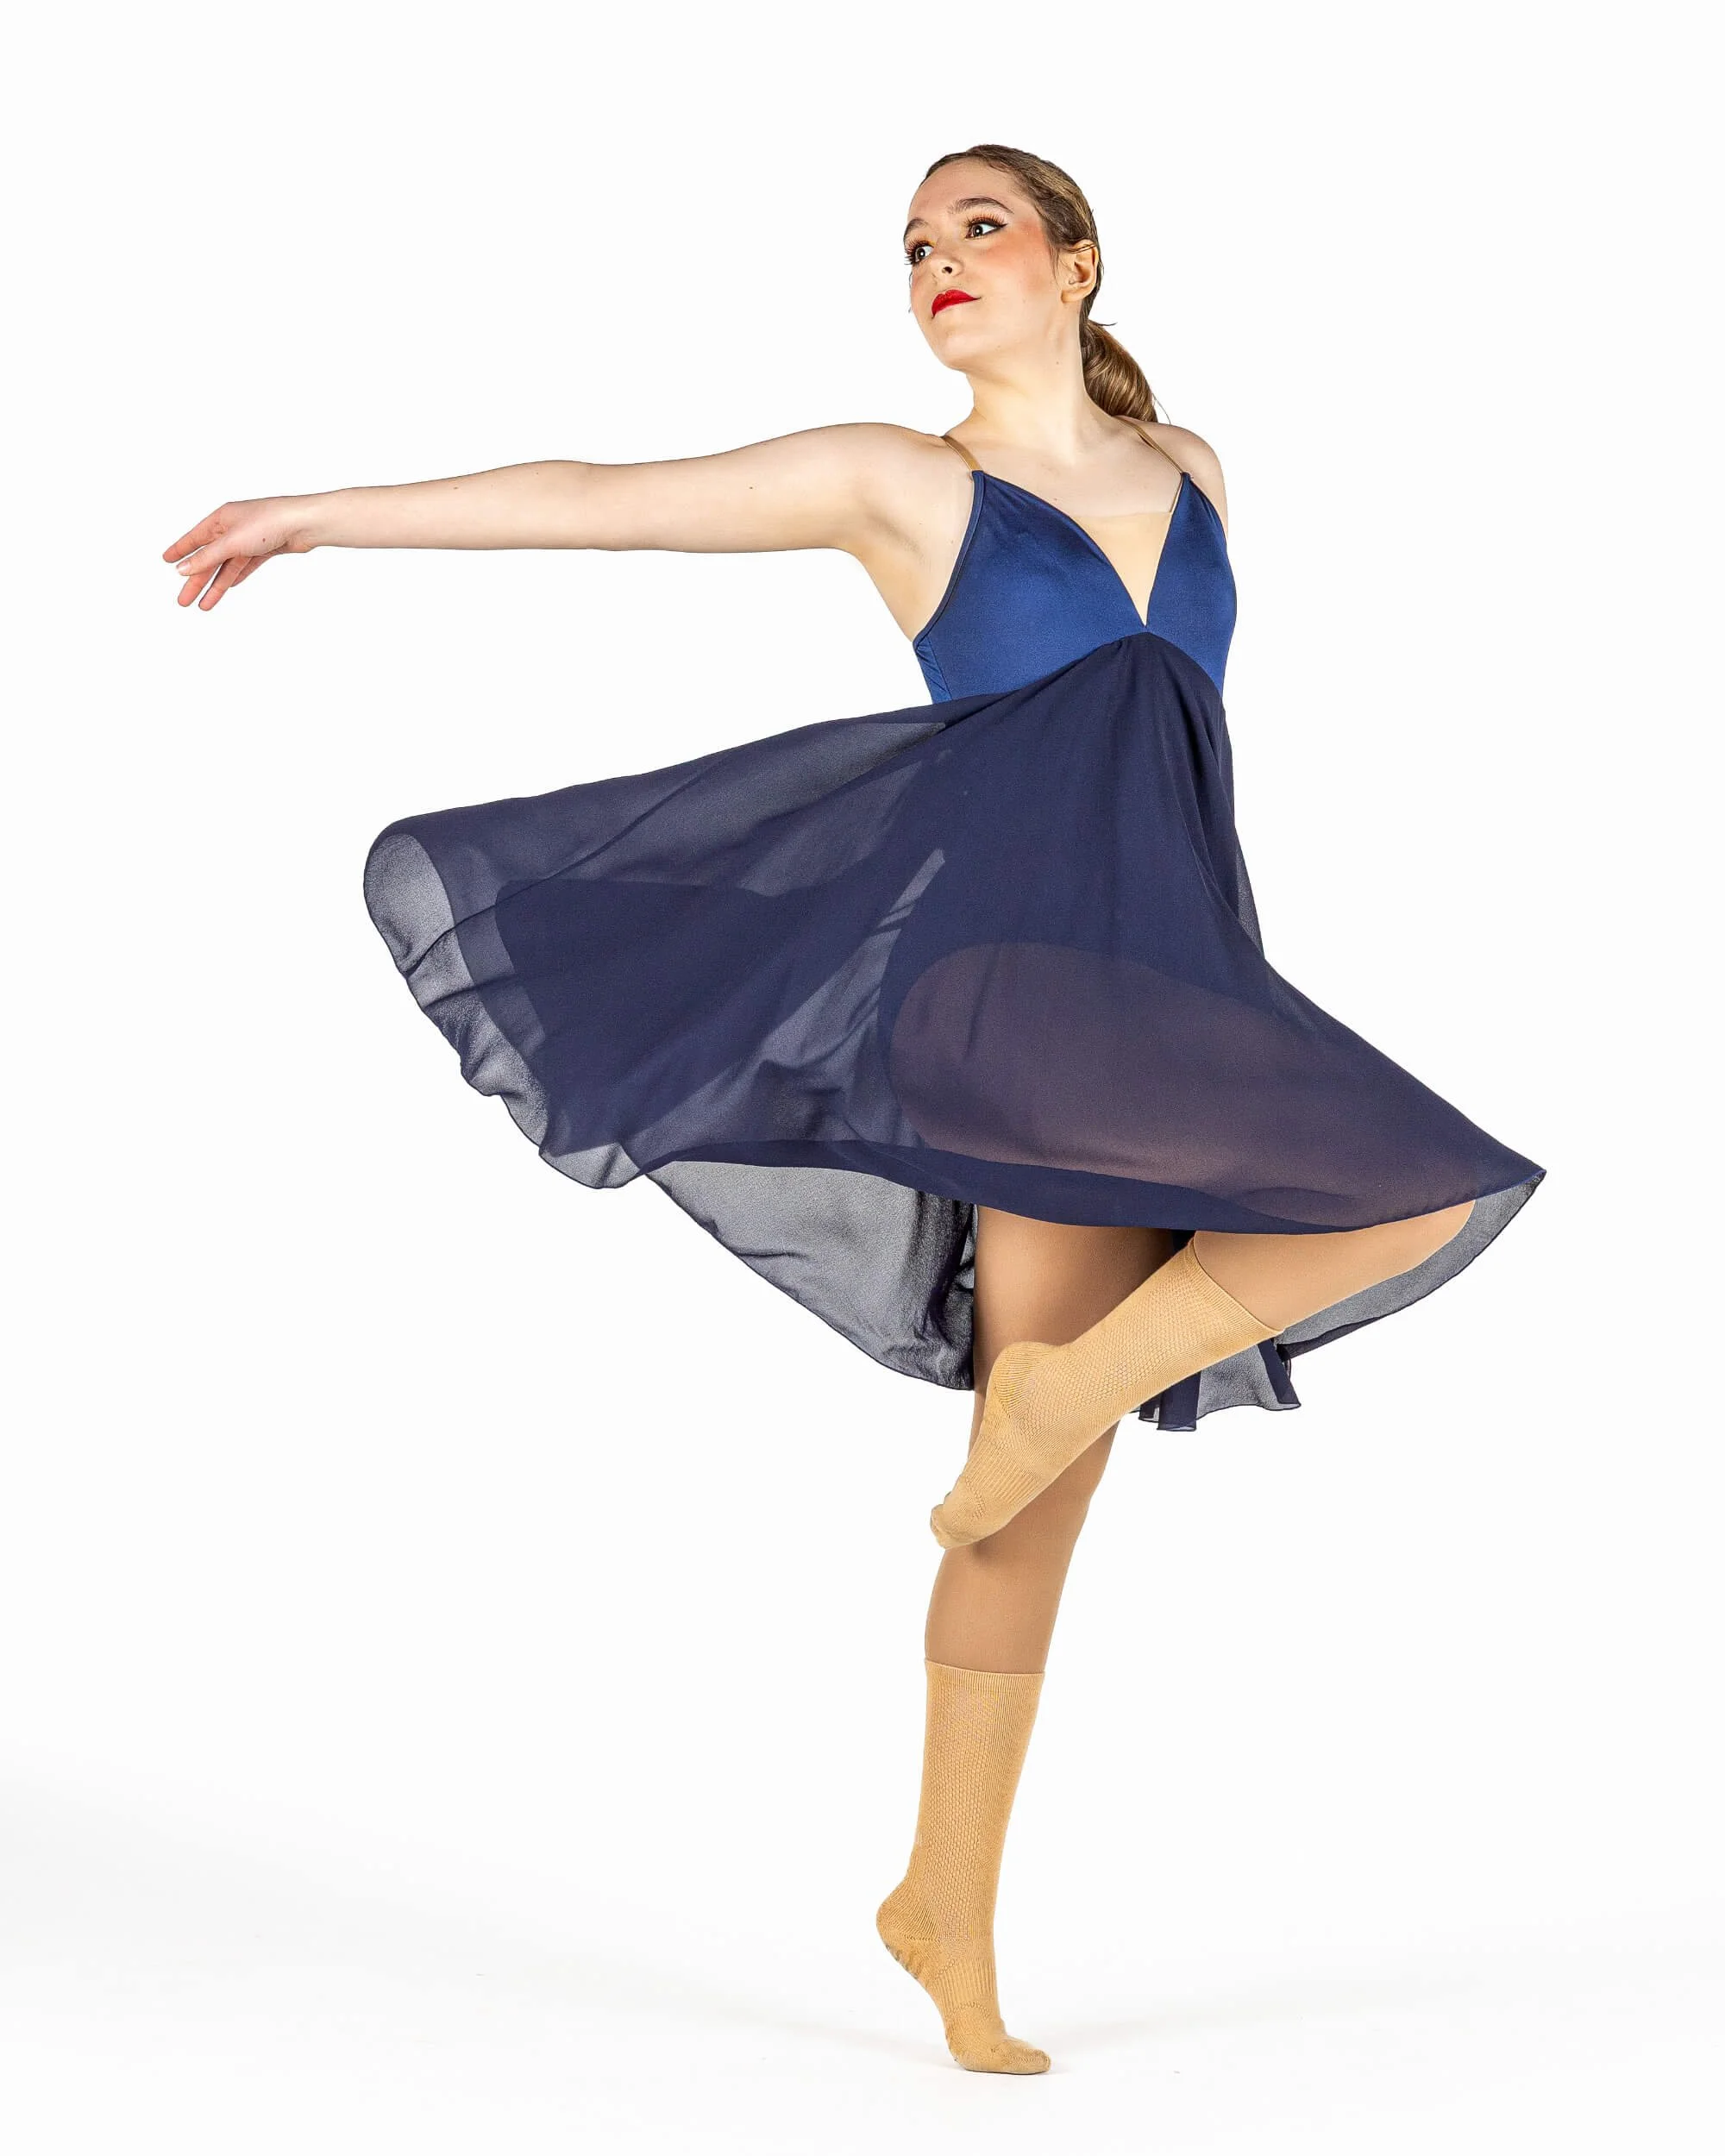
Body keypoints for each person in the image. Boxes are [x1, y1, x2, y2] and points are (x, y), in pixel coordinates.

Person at [160, 142, 1543, 2076]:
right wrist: (315, 513)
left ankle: (937, 1908)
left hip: (1172, 982)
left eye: (977, 227)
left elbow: (1164, 762)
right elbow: (604, 503)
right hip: (1003, 988)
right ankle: (1051, 1420)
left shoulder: (1198, 473)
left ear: (1075, 261)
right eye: (911, 245)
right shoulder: (907, 482)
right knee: (1403, 1192)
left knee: (1052, 1472)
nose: (935, 264)